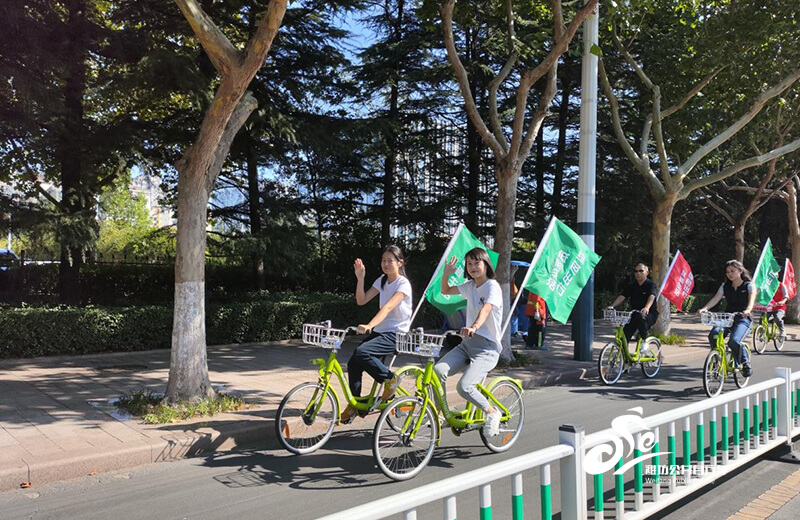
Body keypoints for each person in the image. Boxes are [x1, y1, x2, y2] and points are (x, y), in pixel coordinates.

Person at [435, 247, 504, 437]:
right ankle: (440, 415)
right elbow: (445, 289)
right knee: (438, 371)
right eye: (469, 264)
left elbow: (487, 309)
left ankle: (492, 412)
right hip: (467, 345)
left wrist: (473, 326)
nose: (473, 267)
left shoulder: (492, 286)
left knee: (464, 387)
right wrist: (446, 274)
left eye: (477, 263)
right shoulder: (470, 286)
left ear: (486, 264)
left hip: (487, 348)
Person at [342, 245, 412, 423]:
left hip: (397, 333)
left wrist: (370, 325)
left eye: (390, 260)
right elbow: (361, 300)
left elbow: (388, 307)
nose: (386, 264)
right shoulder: (382, 280)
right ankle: (356, 404)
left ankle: (390, 379)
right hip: (382, 332)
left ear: (400, 262)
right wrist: (360, 278)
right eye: (383, 260)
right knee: (354, 363)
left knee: (362, 352)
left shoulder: (403, 283)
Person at [697, 259, 756, 377]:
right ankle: (716, 358)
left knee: (734, 341)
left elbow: (751, 299)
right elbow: (716, 298)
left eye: (732, 271)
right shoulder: (725, 286)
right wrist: (705, 308)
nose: (729, 274)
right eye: (727, 272)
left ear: (740, 271)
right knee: (713, 334)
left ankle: (745, 364)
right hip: (727, 317)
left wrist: (748, 310)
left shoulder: (749, 285)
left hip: (743, 318)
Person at [607, 263, 659, 347]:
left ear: (647, 272)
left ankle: (645, 341)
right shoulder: (632, 285)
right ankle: (623, 357)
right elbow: (622, 296)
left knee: (641, 318)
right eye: (636, 271)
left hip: (649, 315)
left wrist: (646, 307)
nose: (638, 273)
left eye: (641, 271)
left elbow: (652, 296)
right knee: (624, 335)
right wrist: (612, 306)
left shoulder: (651, 284)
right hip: (633, 315)